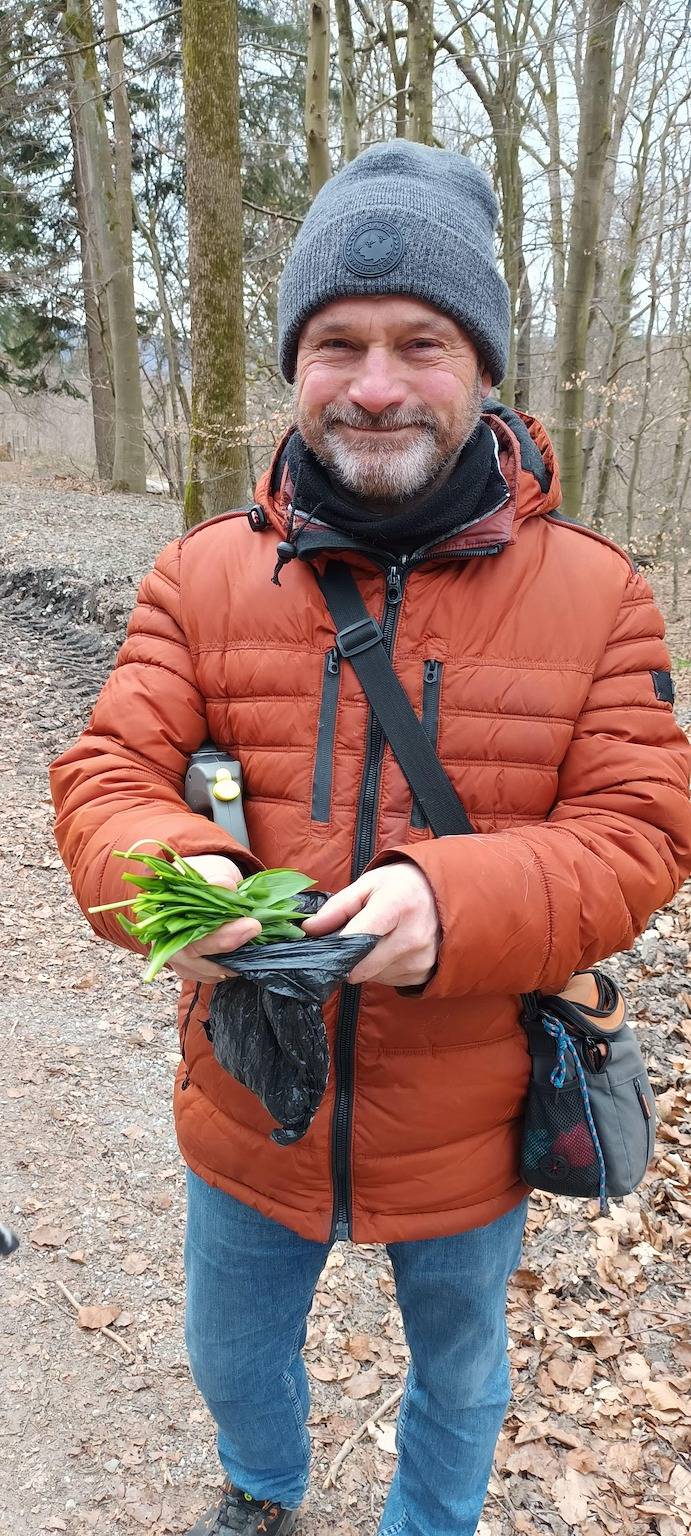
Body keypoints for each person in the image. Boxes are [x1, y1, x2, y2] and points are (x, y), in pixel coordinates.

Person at [50, 141, 691, 1536]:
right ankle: (265, 1489)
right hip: (249, 1100)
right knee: (231, 1353)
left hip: (471, 1119)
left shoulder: (600, 596)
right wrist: (171, 880)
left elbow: (641, 829)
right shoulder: (201, 574)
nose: (378, 384)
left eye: (422, 343)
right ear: (296, 365)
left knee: (459, 1373)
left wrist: (456, 905)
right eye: (338, 343)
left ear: (484, 366)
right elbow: (107, 774)